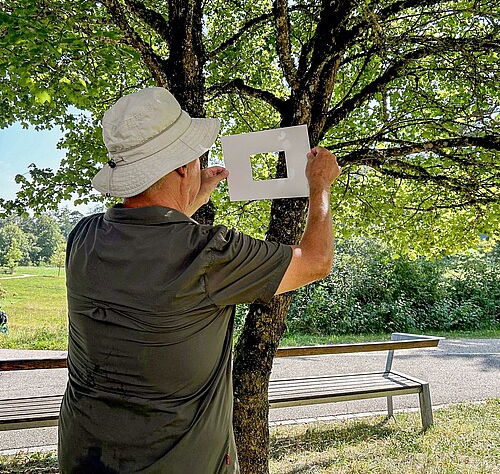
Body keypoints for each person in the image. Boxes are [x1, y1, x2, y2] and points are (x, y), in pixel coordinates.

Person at [58, 87, 341, 473]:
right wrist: (319, 187)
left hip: (84, 455)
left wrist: (189, 197)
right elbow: (315, 261)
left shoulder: (84, 236)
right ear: (179, 166)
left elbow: (153, 239)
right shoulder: (210, 252)